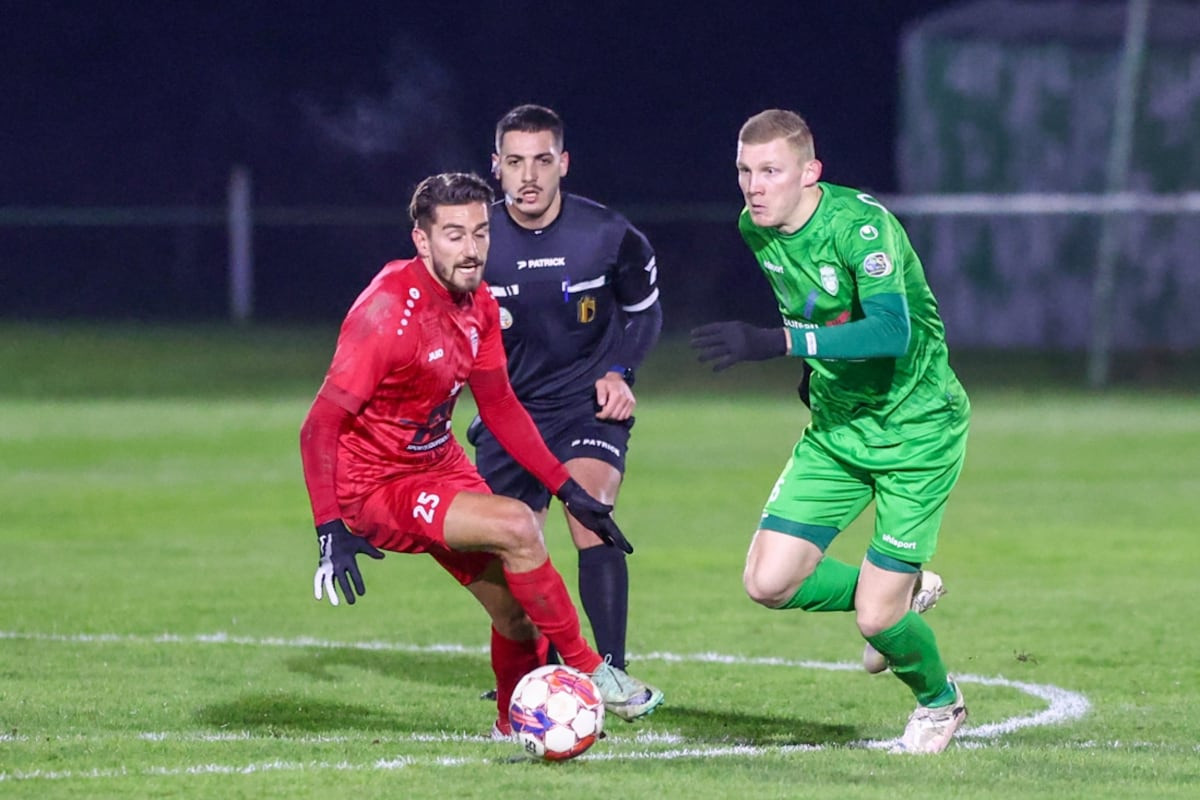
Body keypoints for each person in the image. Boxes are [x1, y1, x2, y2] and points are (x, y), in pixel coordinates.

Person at [299, 171, 664, 739]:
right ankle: (594, 670)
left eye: (480, 233)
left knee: (514, 612)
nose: (471, 250)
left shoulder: (478, 304)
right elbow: (319, 425)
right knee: (518, 523)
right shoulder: (387, 314)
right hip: (376, 483)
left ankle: (510, 726)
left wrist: (569, 492)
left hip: (437, 464)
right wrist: (329, 527)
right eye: (453, 235)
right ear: (422, 241)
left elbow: (499, 406)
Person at [690, 109, 970, 754]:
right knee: (768, 582)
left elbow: (891, 331)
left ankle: (940, 704)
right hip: (837, 428)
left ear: (810, 173)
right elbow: (815, 303)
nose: (754, 186)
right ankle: (908, 590)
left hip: (916, 432)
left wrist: (779, 343)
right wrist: (816, 375)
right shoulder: (754, 229)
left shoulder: (862, 227)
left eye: (770, 171)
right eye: (744, 171)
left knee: (876, 617)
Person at [467, 104, 663, 676]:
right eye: (515, 162)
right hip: (508, 413)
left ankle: (612, 673)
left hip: (585, 406)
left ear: (564, 163)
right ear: (496, 167)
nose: (528, 176)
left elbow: (644, 314)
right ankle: (540, 671)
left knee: (590, 513)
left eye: (542, 161)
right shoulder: (474, 242)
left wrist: (620, 372)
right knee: (513, 544)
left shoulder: (607, 235)